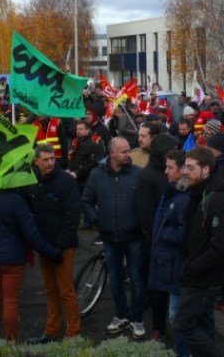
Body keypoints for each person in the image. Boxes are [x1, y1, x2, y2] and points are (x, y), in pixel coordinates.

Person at [0, 182, 63, 341]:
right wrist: (51, 252)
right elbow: (31, 233)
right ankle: (11, 341)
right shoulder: (16, 201)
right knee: (10, 300)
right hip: (12, 257)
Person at [172, 146, 224, 357]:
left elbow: (220, 246)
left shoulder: (217, 199)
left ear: (206, 169)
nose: (185, 172)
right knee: (204, 324)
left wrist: (190, 269)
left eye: (190, 168)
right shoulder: (201, 192)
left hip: (203, 277)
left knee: (183, 324)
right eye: (184, 167)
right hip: (198, 273)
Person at [82, 137, 146, 339]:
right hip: (110, 237)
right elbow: (86, 201)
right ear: (112, 153)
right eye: (124, 151)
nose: (128, 154)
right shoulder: (96, 175)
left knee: (137, 279)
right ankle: (121, 315)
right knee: (115, 279)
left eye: (128, 151)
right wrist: (97, 221)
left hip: (134, 237)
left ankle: (137, 318)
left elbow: (146, 205)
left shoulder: (138, 174)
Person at [24, 143, 82, 342]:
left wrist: (60, 245)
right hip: (44, 246)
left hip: (62, 247)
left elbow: (72, 215)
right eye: (46, 159)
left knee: (66, 291)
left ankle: (73, 333)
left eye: (52, 159)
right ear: (36, 161)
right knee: (50, 290)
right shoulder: (33, 181)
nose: (50, 163)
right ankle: (51, 331)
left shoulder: (65, 182)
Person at [135, 133, 180, 341]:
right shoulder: (148, 176)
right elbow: (146, 216)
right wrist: (155, 241)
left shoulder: (176, 173)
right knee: (158, 289)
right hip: (156, 242)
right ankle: (158, 327)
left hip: (174, 241)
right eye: (169, 150)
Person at [148, 150, 191, 356]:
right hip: (166, 261)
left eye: (170, 168)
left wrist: (162, 233)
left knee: (178, 315)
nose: (165, 172)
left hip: (175, 264)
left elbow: (184, 233)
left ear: (183, 170)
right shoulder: (172, 190)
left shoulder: (184, 197)